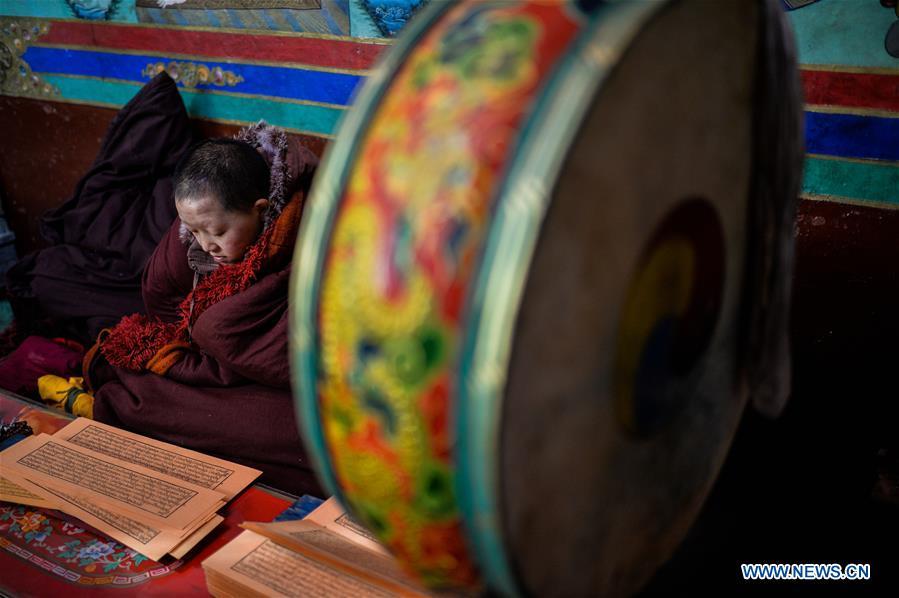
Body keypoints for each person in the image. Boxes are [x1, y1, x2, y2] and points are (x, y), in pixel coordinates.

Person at [81, 121, 322, 496]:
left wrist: (219, 335)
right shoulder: (195, 233)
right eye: (194, 231)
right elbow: (161, 296)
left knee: (310, 434)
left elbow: (305, 341)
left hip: (291, 382)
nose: (206, 245)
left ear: (261, 209)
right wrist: (200, 357)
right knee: (145, 387)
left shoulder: (310, 223)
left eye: (218, 232)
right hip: (216, 370)